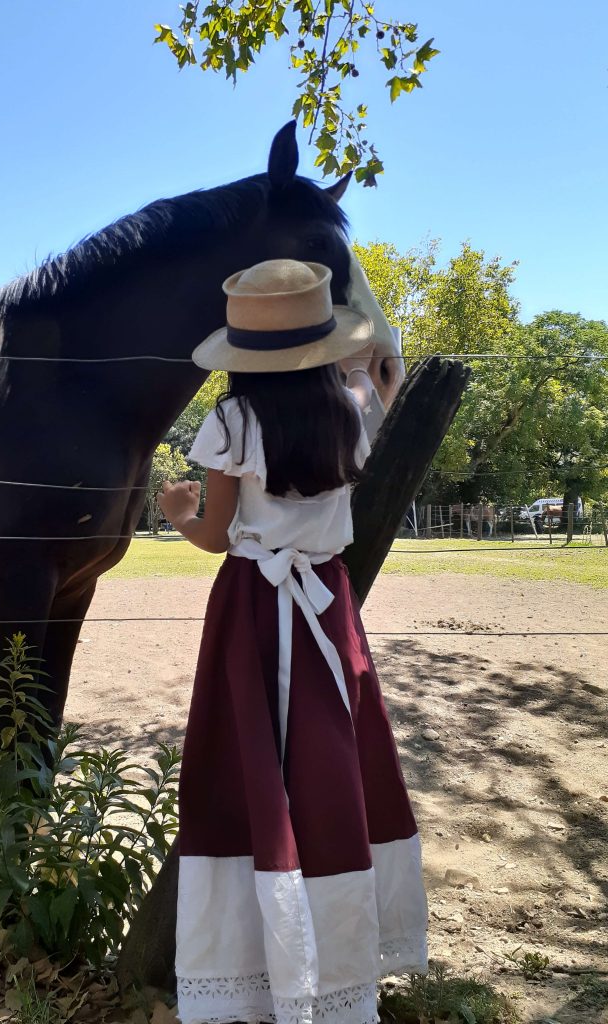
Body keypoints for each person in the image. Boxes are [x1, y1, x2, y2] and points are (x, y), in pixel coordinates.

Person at [158, 259, 427, 1024]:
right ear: (320, 343)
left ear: (242, 351)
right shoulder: (352, 408)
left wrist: (178, 509)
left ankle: (248, 968)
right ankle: (338, 969)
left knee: (242, 768)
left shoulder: (232, 422)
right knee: (330, 764)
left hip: (252, 606)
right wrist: (373, 366)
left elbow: (215, 536)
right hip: (326, 606)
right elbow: (380, 376)